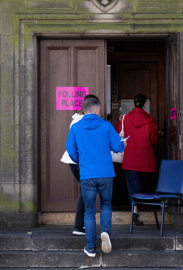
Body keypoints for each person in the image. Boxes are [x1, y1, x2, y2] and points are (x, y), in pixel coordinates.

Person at [66, 96, 126, 258]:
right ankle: (105, 232)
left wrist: (82, 161)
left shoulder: (76, 128)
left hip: (87, 175)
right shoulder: (106, 126)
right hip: (106, 174)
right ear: (96, 110)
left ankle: (91, 247)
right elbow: (117, 146)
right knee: (106, 205)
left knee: (90, 211)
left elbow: (70, 151)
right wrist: (123, 144)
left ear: (84, 110)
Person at [60, 94, 100, 236]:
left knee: (85, 191)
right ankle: (78, 226)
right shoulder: (85, 122)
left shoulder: (76, 120)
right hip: (80, 161)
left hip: (74, 161)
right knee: (85, 192)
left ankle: (80, 225)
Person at [117, 93, 158, 226]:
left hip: (131, 159)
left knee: (133, 186)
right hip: (146, 158)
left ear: (134, 104)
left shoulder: (125, 118)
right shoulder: (150, 120)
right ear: (145, 105)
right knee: (144, 186)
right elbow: (154, 140)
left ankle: (135, 211)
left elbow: (119, 134)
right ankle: (142, 207)